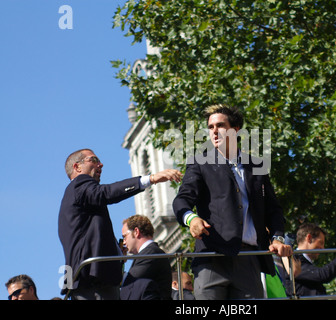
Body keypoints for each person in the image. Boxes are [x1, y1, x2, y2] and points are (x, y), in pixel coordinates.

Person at [172, 104, 291, 300]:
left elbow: (274, 210)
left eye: (220, 125)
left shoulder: (257, 166)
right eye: (210, 127)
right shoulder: (200, 163)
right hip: (212, 259)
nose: (214, 131)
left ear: (236, 130)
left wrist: (277, 238)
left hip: (249, 260)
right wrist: (191, 219)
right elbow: (181, 201)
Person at [58, 148, 181, 300]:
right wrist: (151, 178)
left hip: (86, 282)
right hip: (94, 283)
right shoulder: (80, 185)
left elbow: (86, 237)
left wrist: (115, 251)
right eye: (94, 160)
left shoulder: (74, 198)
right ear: (77, 167)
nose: (101, 165)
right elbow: (106, 193)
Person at [120, 215, 172, 300]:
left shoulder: (151, 253)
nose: (124, 242)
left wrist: (117, 263)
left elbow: (130, 283)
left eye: (125, 236)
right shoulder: (146, 254)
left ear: (136, 232)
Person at [294, 223, 336, 296]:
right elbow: (322, 275)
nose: (322, 248)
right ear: (309, 238)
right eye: (321, 243)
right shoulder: (294, 260)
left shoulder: (304, 261)